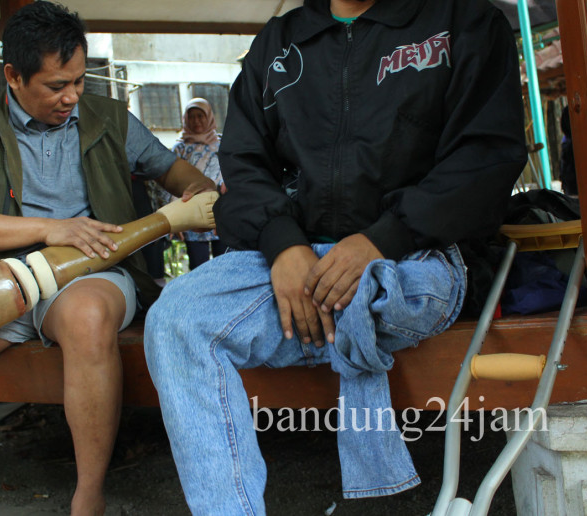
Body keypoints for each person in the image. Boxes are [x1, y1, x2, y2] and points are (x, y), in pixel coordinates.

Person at [144, 0, 527, 513]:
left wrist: (380, 242)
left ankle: (372, 499)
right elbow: (244, 160)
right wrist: (284, 246)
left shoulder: (463, 22)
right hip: (295, 261)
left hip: (416, 256)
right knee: (175, 318)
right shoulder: (279, 42)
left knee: (372, 295)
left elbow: (485, 157)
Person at [0, 3, 214, 514]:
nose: (72, 97)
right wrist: (50, 228)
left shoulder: (107, 118)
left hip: (95, 271)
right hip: (7, 276)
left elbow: (176, 173)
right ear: (13, 76)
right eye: (56, 85)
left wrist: (199, 192)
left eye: (79, 81)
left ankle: (88, 495)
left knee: (85, 318)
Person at [167, 98, 226, 269]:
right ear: (185, 119)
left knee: (224, 267)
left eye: (201, 115)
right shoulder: (180, 149)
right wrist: (174, 219)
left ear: (209, 117)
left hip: (220, 215)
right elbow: (171, 183)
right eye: (191, 117)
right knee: (198, 268)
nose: (196, 121)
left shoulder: (222, 145)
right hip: (192, 216)